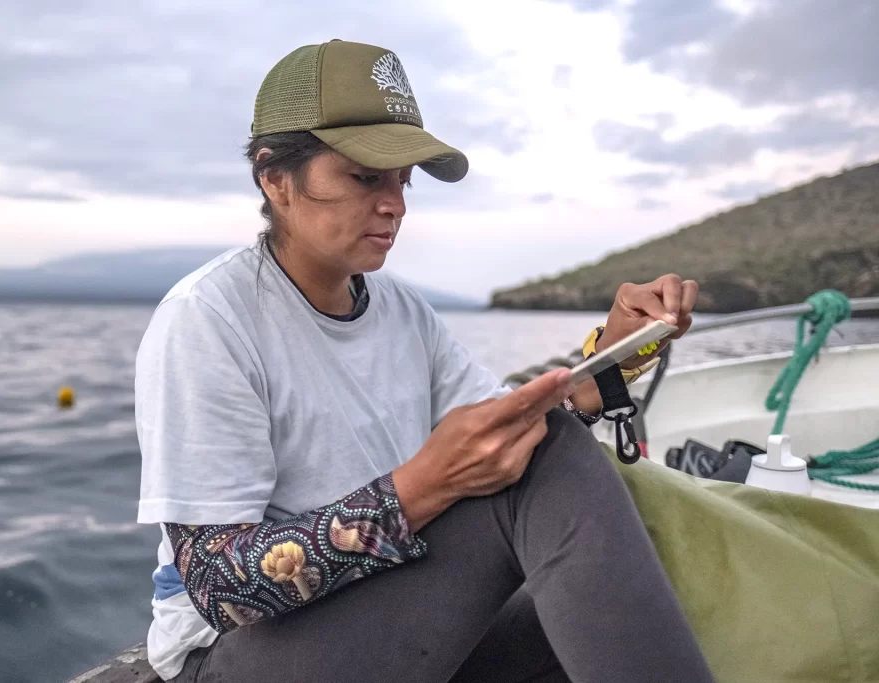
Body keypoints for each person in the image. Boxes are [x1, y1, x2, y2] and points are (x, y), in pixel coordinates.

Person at [135, 39, 713, 683]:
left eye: (402, 181)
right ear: (274, 177)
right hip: (230, 658)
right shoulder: (209, 317)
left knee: (613, 591)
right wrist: (421, 489)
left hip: (378, 610)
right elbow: (220, 588)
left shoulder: (404, 313)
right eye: (364, 177)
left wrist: (611, 355)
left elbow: (505, 435)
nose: (396, 205)